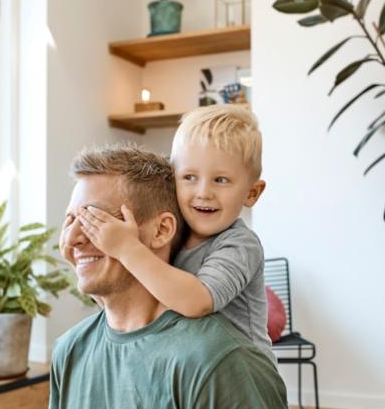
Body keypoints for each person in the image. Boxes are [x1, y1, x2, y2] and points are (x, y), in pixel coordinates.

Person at [51, 144, 289, 409]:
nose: (73, 238)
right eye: (70, 221)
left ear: (162, 230)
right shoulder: (69, 351)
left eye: (95, 220)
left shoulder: (221, 363)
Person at [78, 105, 275, 362]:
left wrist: (127, 248)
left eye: (221, 180)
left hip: (243, 379)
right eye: (189, 177)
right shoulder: (173, 234)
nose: (203, 192)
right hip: (192, 367)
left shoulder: (240, 244)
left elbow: (197, 301)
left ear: (252, 193)